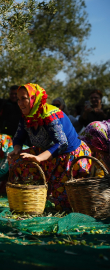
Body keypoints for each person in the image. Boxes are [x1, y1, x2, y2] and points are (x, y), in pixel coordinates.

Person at [8, 83, 91, 212]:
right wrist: (17, 150)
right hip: (48, 153)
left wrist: (39, 158)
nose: (20, 103)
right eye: (18, 99)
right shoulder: (26, 117)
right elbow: (18, 137)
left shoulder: (49, 115)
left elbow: (62, 143)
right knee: (19, 162)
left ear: (34, 98)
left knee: (64, 204)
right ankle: (32, 199)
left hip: (69, 155)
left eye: (24, 98)